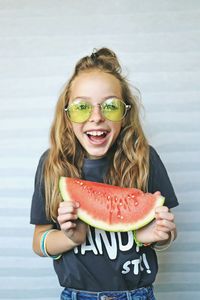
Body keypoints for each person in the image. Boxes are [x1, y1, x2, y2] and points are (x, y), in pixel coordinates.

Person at [30, 47, 178, 300]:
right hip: (77, 295)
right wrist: (70, 238)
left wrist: (155, 236)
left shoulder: (144, 158)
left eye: (110, 106)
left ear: (125, 114)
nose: (96, 117)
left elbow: (167, 232)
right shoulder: (52, 164)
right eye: (81, 107)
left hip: (138, 294)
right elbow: (39, 242)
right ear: (67, 116)